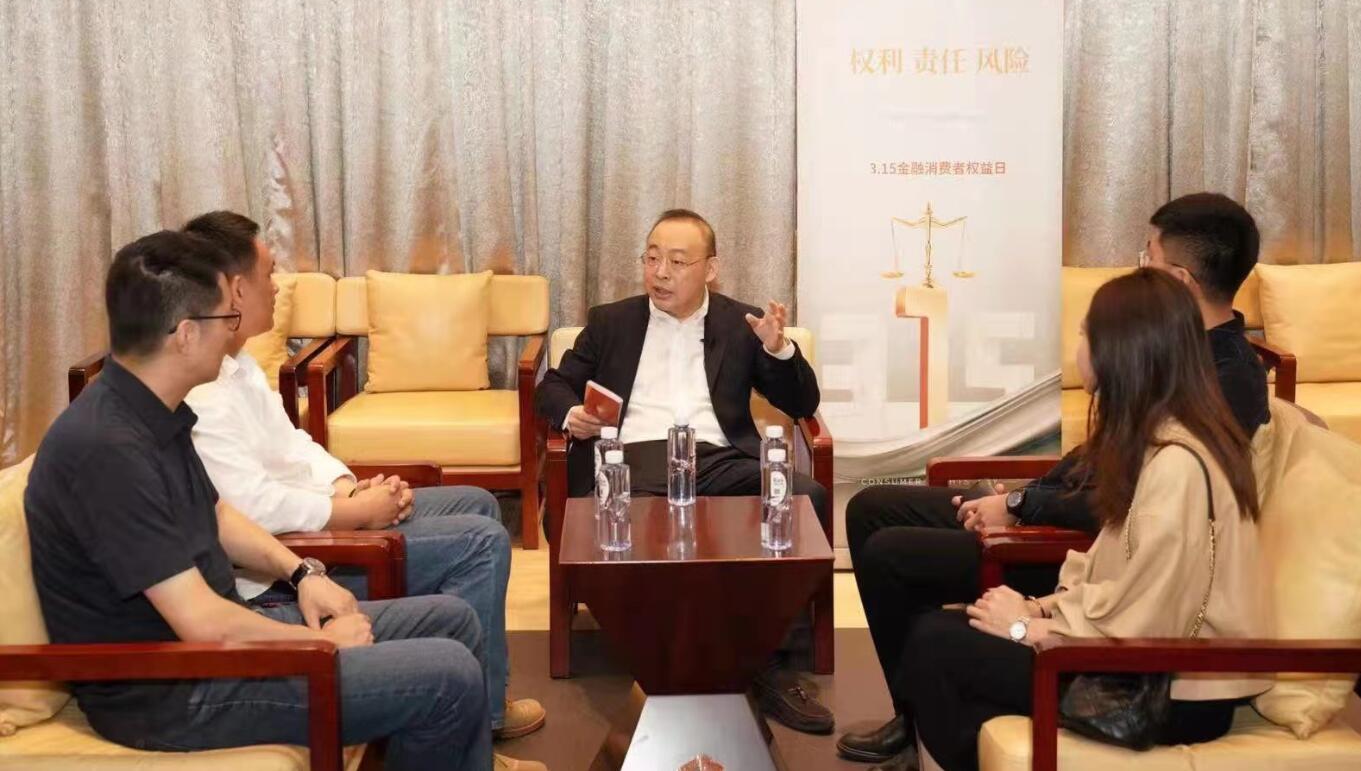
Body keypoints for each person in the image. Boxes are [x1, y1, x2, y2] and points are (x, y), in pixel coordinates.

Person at [24, 231, 500, 771]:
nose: (234, 331)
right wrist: (317, 646)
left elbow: (218, 515)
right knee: (447, 676)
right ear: (186, 334)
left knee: (454, 620)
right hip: (173, 692)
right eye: (226, 318)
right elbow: (201, 622)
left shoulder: (150, 410)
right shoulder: (106, 449)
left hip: (219, 642)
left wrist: (303, 574)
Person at [839, 192, 1270, 766]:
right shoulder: (1162, 434)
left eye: (1087, 336)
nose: (1076, 350)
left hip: (1166, 691)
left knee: (935, 646)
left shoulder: (1178, 464)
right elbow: (1115, 577)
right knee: (936, 637)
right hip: (1138, 662)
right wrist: (1040, 608)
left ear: (1124, 354)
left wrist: (1027, 630)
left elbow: (1144, 625)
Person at [178, 211, 545, 754]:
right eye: (269, 273)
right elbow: (251, 507)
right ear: (234, 290)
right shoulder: (199, 393)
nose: (277, 286)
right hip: (283, 566)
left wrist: (349, 487)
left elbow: (293, 446)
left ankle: (478, 710)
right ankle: (477, 724)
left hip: (312, 523)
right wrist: (352, 514)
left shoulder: (237, 366)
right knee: (481, 543)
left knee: (476, 503)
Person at [534, 208, 833, 733]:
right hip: (631, 460)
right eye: (651, 259)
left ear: (710, 269)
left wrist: (777, 349)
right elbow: (552, 385)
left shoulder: (742, 324)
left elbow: (801, 403)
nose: (660, 273)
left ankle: (765, 659)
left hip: (718, 458)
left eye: (677, 261)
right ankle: (668, 666)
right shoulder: (611, 321)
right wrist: (571, 413)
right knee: (644, 530)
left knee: (803, 496)